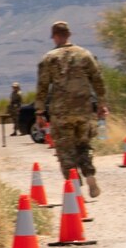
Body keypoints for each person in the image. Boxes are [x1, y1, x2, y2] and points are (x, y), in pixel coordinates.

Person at [37, 19, 108, 197]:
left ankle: (75, 192)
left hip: (61, 113)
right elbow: (98, 80)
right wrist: (101, 104)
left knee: (65, 150)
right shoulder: (85, 55)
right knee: (83, 145)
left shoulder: (49, 59)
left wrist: (39, 112)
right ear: (69, 35)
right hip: (83, 110)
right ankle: (90, 176)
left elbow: (42, 87)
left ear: (54, 36)